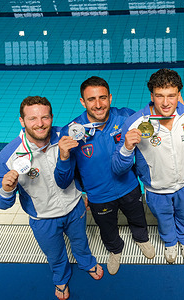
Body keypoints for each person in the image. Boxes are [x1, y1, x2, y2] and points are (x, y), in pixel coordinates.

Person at [0, 96, 103, 300]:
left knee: (80, 242)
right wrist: (7, 190)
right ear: (21, 121)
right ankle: (60, 278)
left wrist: (83, 192)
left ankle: (86, 262)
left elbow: (84, 167)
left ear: (52, 117)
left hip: (74, 207)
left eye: (45, 117)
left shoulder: (65, 137)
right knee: (55, 254)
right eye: (33, 118)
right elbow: (2, 204)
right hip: (42, 218)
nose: (40, 124)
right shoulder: (8, 157)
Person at [54, 76, 155, 276]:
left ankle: (141, 238)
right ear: (83, 102)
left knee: (137, 216)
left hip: (129, 186)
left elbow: (154, 120)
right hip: (99, 195)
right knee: (107, 228)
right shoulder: (71, 132)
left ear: (110, 98)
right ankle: (115, 249)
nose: (98, 104)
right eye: (91, 99)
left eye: (102, 98)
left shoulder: (125, 117)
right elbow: (63, 180)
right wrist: (64, 157)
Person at [112, 68, 184, 263]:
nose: (166, 103)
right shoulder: (135, 123)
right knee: (164, 220)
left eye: (171, 96)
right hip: (156, 189)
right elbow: (117, 167)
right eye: (160, 96)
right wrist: (126, 147)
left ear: (179, 95)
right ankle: (169, 242)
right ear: (152, 95)